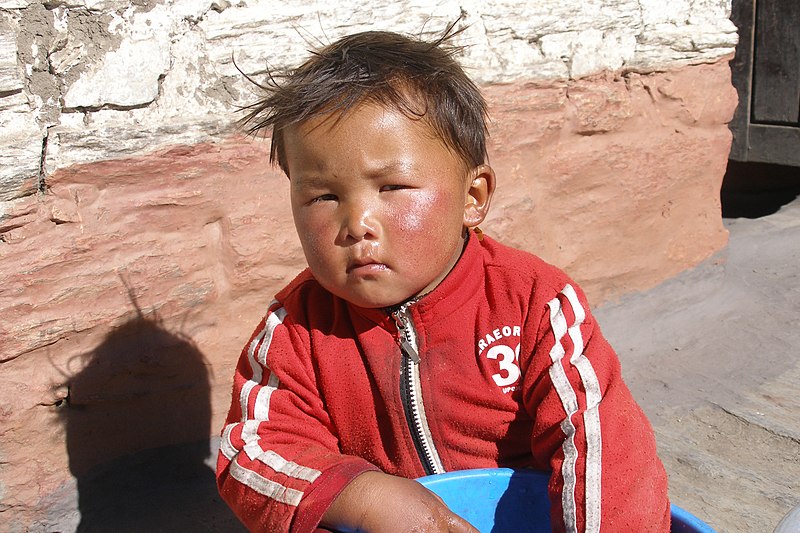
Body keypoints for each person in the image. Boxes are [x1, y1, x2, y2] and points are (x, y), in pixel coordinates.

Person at [216, 22, 670, 533]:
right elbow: (251, 453)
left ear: (472, 199)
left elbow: (603, 448)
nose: (357, 225)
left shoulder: (535, 306)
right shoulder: (296, 330)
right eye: (323, 196)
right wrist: (364, 497)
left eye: (392, 187)